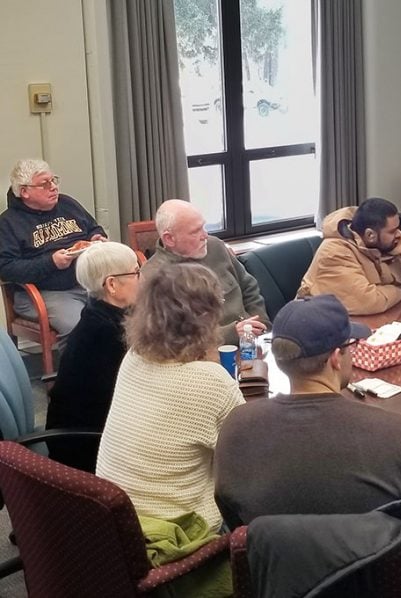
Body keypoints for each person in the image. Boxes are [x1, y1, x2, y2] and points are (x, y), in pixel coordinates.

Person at [214, 295, 401, 530]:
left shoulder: (237, 426)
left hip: (279, 565)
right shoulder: (393, 431)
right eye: (352, 346)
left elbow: (234, 520)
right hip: (379, 565)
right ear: (337, 358)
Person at [96, 263, 245, 531]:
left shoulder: (134, 357)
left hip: (116, 525)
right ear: (205, 316)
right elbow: (249, 458)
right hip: (177, 533)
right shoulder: (211, 382)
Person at [45, 242, 142, 472]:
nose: (142, 279)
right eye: (136, 272)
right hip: (89, 450)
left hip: (92, 432)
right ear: (112, 284)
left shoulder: (98, 313)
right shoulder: (106, 333)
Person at [0, 159, 106, 345]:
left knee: (124, 313)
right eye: (44, 184)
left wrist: (96, 238)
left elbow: (93, 228)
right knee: (79, 327)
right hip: (44, 293)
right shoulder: (8, 223)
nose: (54, 187)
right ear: (24, 191)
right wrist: (51, 262)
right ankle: (77, 373)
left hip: (89, 283)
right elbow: (6, 268)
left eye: (54, 180)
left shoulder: (68, 204)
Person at [142, 199, 270, 345]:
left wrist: (261, 324)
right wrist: (232, 333)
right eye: (195, 232)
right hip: (207, 355)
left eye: (203, 227)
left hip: (251, 341)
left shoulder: (215, 247)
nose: (205, 235)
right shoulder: (153, 277)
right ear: (169, 239)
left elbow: (248, 286)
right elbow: (172, 337)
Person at [297, 197, 401, 315]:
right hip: (322, 328)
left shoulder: (387, 245)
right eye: (393, 231)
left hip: (380, 320)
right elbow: (367, 301)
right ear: (370, 235)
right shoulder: (334, 252)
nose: (399, 234)